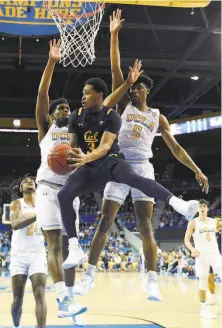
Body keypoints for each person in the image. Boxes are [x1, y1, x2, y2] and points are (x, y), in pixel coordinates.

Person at [71, 10, 208, 301]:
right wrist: (115, 34)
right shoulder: (122, 108)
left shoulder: (158, 117)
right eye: (130, 89)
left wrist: (196, 168)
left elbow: (175, 148)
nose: (132, 92)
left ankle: (152, 281)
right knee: (105, 223)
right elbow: (115, 70)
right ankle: (90, 276)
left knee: (146, 226)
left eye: (136, 89)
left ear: (146, 91)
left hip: (143, 168)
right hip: (118, 166)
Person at [35, 39, 87, 320]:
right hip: (46, 190)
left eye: (69, 109)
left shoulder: (75, 133)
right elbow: (43, 92)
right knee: (54, 245)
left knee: (70, 249)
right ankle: (61, 298)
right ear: (53, 114)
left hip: (70, 192)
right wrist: (52, 61)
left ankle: (68, 296)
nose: (66, 112)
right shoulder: (45, 128)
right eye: (62, 109)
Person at [9, 177, 47, 328]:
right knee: (17, 299)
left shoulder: (44, 204)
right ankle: (16, 325)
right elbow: (15, 224)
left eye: (32, 180)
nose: (29, 181)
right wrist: (39, 215)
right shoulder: (17, 204)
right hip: (19, 255)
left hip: (37, 254)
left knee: (40, 294)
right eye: (25, 181)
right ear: (20, 188)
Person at [184, 200, 222, 319]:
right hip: (201, 255)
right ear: (197, 209)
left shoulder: (213, 221)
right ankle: (204, 309)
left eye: (204, 206)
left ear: (207, 209)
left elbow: (217, 229)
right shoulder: (193, 222)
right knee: (203, 281)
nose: (202, 208)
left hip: (214, 253)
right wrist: (192, 249)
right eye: (200, 206)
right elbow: (186, 239)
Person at [207, 216, 221, 305]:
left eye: (218, 221)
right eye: (215, 221)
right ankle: (213, 297)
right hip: (211, 258)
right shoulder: (209, 233)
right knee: (209, 279)